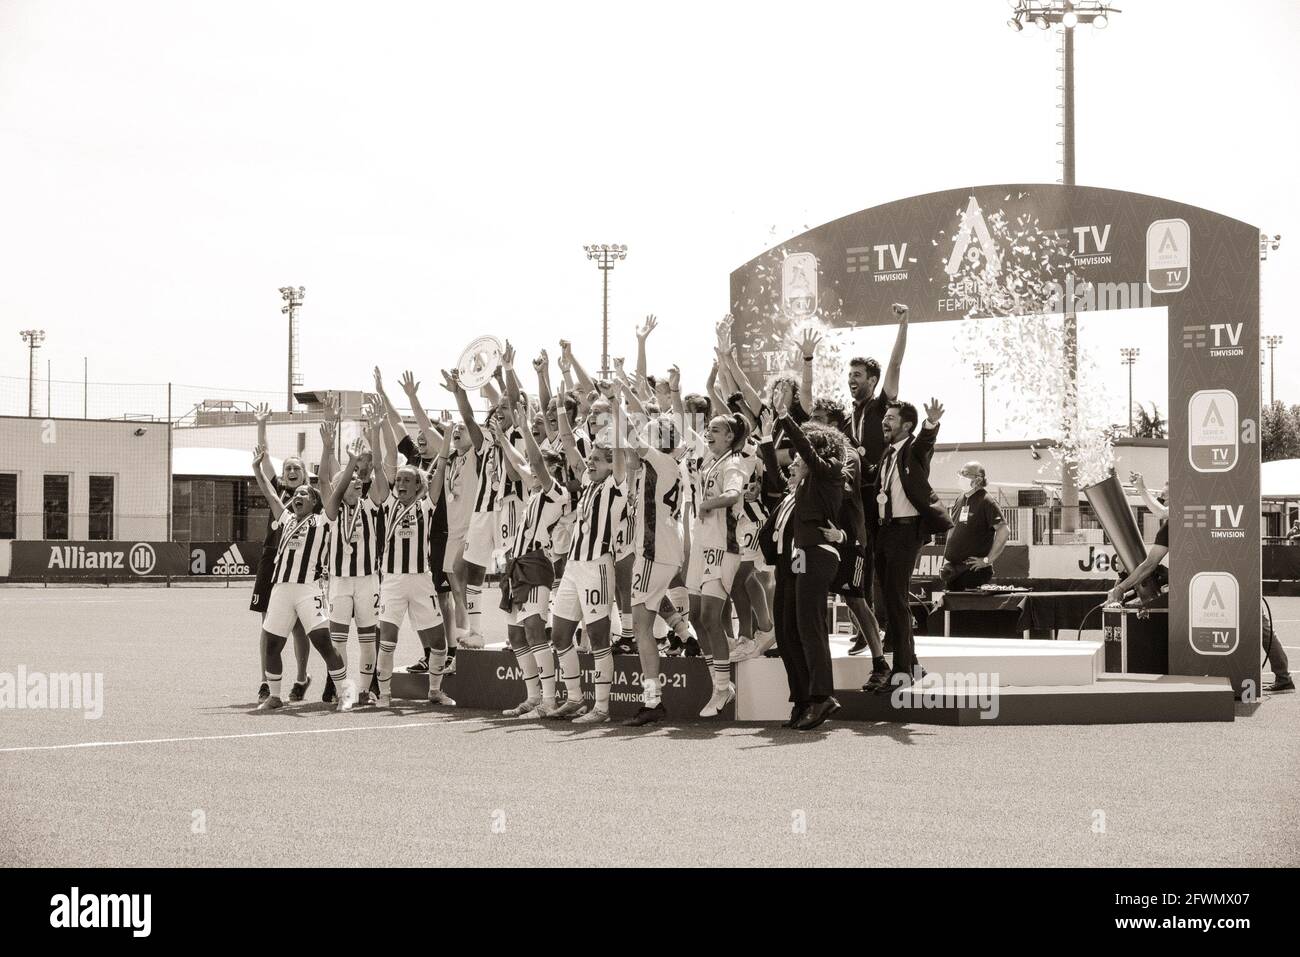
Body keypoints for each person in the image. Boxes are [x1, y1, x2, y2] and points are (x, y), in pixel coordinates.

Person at [757, 395, 845, 730]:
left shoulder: (828, 474)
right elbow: (776, 475)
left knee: (810, 629)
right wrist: (767, 438)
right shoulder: (797, 491)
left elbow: (807, 452)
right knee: (788, 633)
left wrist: (785, 418)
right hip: (790, 564)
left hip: (815, 557)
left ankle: (823, 697)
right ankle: (802, 699)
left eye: (798, 458)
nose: (793, 463)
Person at [252, 447, 356, 712]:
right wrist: (256, 469)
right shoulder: (285, 519)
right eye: (296, 494)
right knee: (272, 645)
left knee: (323, 643)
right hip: (281, 589)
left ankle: (345, 691)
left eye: (304, 494)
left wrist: (352, 461)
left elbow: (338, 489)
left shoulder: (323, 521)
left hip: (309, 589)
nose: (298, 496)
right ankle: (275, 696)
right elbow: (271, 494)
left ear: (314, 501)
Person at [544, 400, 627, 724]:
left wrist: (618, 411)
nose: (589, 463)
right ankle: (575, 699)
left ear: (610, 465)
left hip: (597, 567)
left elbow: (619, 451)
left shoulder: (615, 485)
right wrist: (562, 408)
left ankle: (602, 708)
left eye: (596, 459)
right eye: (589, 458)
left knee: (598, 639)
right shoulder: (590, 485)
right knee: (560, 636)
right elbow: (567, 444)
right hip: (573, 568)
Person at [492, 411, 571, 718]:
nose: (536, 473)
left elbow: (534, 464)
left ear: (554, 470)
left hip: (537, 564)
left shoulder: (557, 493)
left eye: (545, 468)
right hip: (517, 565)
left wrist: (524, 428)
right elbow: (522, 465)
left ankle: (549, 700)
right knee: (515, 635)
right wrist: (501, 439)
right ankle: (533, 697)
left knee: (535, 631)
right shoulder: (536, 491)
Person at [839, 304, 909, 648]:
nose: (852, 380)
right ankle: (863, 630)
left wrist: (903, 323)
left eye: (858, 376)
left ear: (873, 380)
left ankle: (891, 632)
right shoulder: (846, 413)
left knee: (883, 567)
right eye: (849, 375)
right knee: (857, 562)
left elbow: (895, 363)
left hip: (882, 496)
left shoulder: (882, 404)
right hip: (855, 498)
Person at [868, 397, 947, 692]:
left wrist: (931, 424)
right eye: (884, 417)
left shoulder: (913, 450)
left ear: (907, 425)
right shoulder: (887, 454)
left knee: (897, 602)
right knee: (889, 601)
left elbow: (926, 442)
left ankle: (902, 672)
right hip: (885, 532)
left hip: (906, 532)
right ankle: (912, 666)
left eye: (890, 418)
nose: (884, 422)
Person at [374, 445, 454, 709]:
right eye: (398, 479)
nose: (401, 483)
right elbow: (378, 466)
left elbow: (440, 471)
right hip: (393, 581)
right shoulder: (387, 504)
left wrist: (443, 446)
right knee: (387, 640)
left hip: (421, 580)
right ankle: (384, 695)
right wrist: (375, 432)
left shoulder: (426, 506)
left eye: (407, 479)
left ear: (418, 485)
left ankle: (434, 691)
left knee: (439, 642)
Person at [249, 404, 313, 703]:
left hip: (300, 567)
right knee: (267, 622)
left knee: (300, 625)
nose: (290, 471)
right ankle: (264, 681)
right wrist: (262, 425)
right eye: (287, 468)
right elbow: (263, 459)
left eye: (296, 468)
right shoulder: (278, 490)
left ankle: (301, 678)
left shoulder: (311, 500)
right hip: (271, 560)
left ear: (305, 476)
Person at [690, 411, 752, 716]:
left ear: (730, 436)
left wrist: (707, 504)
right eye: (708, 429)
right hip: (702, 544)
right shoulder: (708, 461)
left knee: (710, 615)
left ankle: (722, 687)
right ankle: (720, 679)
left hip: (724, 547)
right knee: (694, 614)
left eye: (715, 430)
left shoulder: (734, 461)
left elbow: (732, 494)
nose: (708, 433)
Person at [322, 431, 386, 706]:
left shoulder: (370, 506)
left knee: (368, 640)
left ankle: (364, 690)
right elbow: (326, 480)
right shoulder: (332, 510)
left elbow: (381, 472)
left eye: (360, 480)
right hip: (339, 581)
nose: (358, 481)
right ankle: (343, 690)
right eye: (352, 480)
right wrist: (328, 448)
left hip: (368, 581)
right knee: (338, 641)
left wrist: (375, 429)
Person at [940, 462, 1009, 591]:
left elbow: (1004, 530)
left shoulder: (987, 501)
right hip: (953, 570)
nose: (961, 477)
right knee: (952, 610)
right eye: (960, 473)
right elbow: (953, 529)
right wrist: (948, 556)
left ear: (978, 479)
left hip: (973, 570)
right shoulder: (960, 498)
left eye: (965, 474)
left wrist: (987, 560)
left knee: (968, 610)